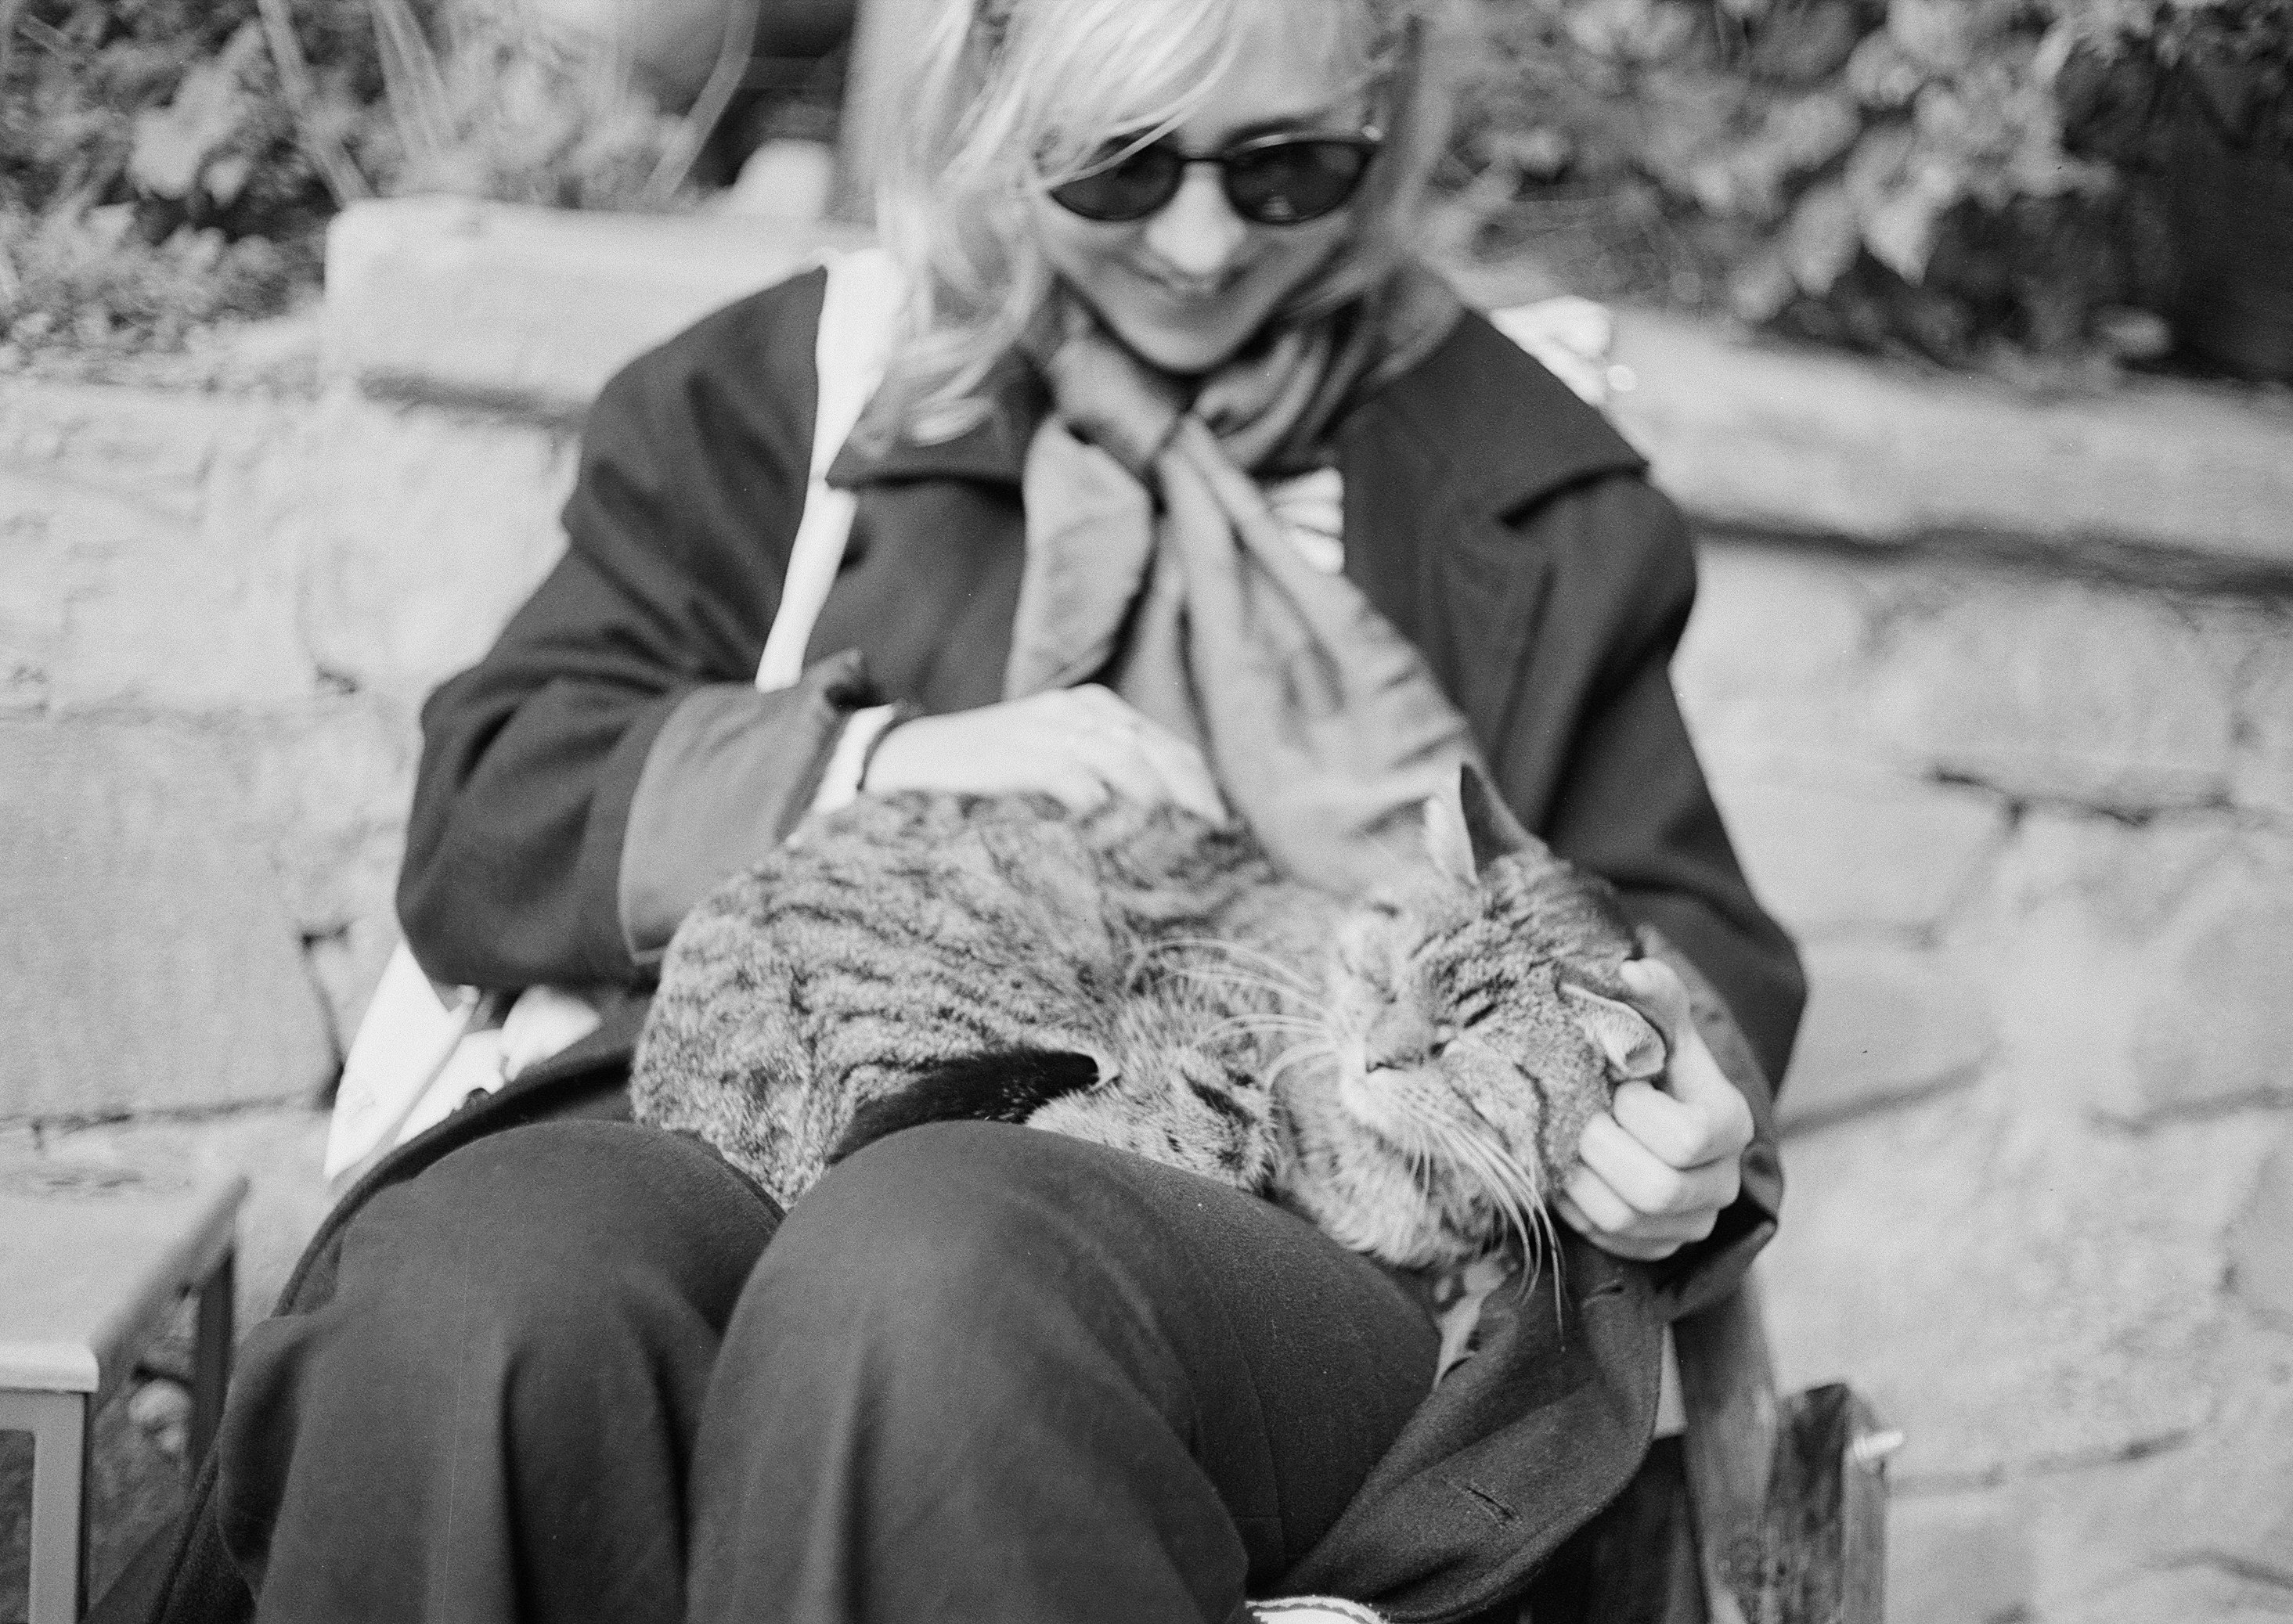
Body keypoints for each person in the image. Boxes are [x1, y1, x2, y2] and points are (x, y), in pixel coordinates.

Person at [128, 2, 1804, 1620]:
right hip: (738, 1102)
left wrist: (1669, 1117)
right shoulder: (793, 390)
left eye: (1286, 169)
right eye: (1120, 168)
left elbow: (1674, 933)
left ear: (1386, 107)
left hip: (1297, 1244)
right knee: (472, 1290)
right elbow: (494, 802)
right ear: (997, 99)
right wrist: (871, 762)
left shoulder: (1528, 480)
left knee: (940, 1257)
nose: (1205, 245)